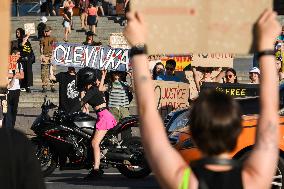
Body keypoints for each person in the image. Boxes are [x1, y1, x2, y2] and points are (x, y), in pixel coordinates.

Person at [124, 9, 280, 189]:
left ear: (195, 134)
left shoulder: (183, 181)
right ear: (237, 132)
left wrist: (137, 47)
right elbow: (269, 109)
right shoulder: (253, 181)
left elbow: (146, 110)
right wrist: (267, 46)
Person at [75, 68, 117, 179]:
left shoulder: (92, 91)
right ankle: (95, 162)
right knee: (92, 140)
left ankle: (96, 169)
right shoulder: (93, 90)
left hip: (104, 116)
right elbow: (84, 102)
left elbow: (82, 102)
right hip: (102, 115)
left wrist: (69, 111)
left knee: (94, 143)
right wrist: (103, 76)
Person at [4, 48, 24, 129]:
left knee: (14, 110)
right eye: (18, 54)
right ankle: (6, 127)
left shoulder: (19, 65)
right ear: (13, 55)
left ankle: (12, 126)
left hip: (16, 90)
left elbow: (22, 76)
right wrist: (15, 75)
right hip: (8, 89)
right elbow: (5, 74)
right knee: (6, 110)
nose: (19, 56)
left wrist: (12, 75)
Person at [11, 28, 35, 93]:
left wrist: (32, 58)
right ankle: (22, 86)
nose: (17, 34)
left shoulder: (28, 42)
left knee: (28, 73)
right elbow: (22, 44)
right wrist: (27, 36)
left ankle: (28, 86)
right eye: (16, 32)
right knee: (22, 73)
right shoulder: (18, 41)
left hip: (28, 60)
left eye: (18, 32)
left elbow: (30, 50)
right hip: (21, 60)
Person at [39, 25, 57, 93]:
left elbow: (55, 47)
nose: (45, 33)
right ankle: (44, 86)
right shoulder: (42, 39)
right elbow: (41, 48)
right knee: (44, 72)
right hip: (45, 55)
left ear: (50, 31)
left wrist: (53, 55)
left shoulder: (53, 38)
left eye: (47, 31)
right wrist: (42, 55)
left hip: (52, 55)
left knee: (52, 71)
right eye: (44, 31)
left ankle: (52, 86)